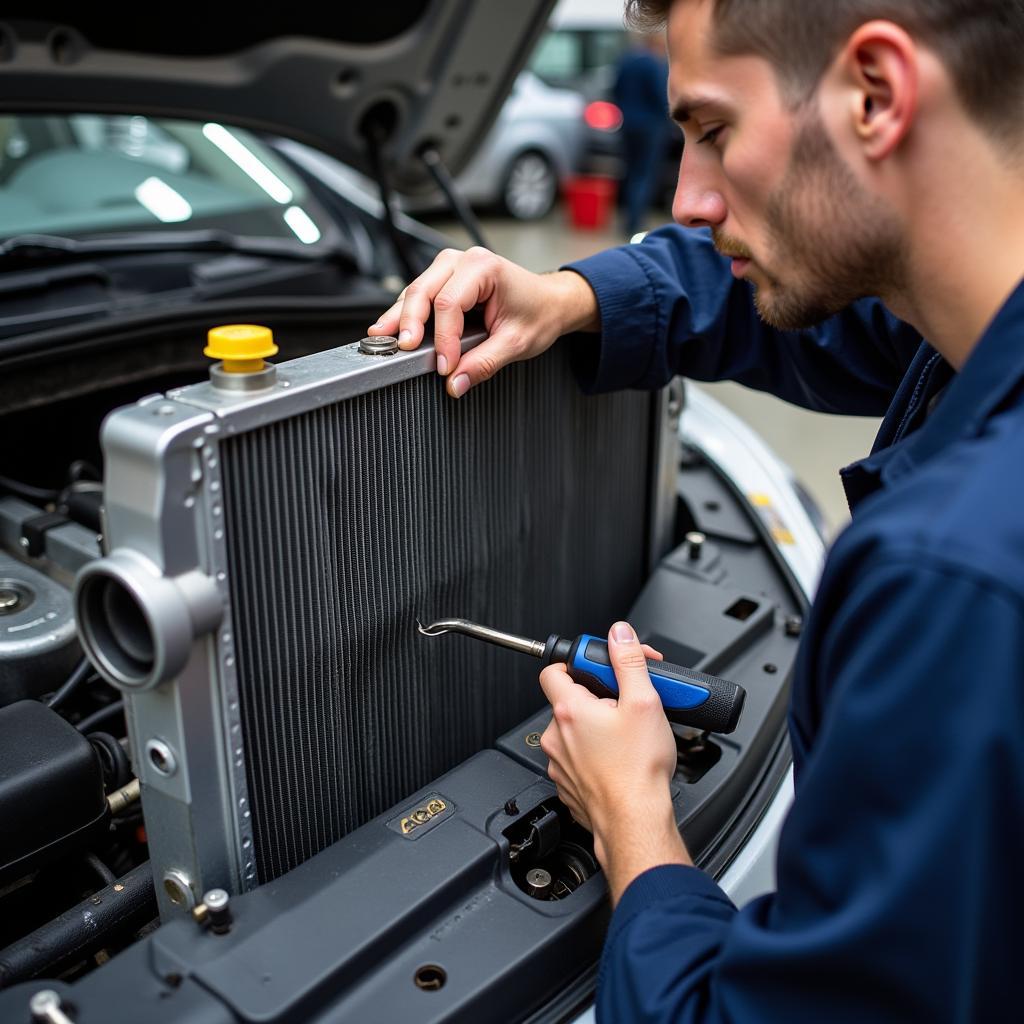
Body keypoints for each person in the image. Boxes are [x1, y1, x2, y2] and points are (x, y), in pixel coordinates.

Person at [368, 0, 1024, 1019]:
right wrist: (575, 294)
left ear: (877, 94)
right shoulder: (962, 321)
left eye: (713, 130)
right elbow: (814, 315)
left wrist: (633, 819)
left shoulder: (954, 577)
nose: (688, 196)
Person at [613, 32, 672, 236]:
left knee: (629, 171)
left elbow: (615, 90)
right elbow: (661, 96)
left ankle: (626, 219)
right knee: (645, 173)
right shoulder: (654, 65)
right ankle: (636, 222)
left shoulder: (626, 60)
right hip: (651, 127)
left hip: (628, 125)